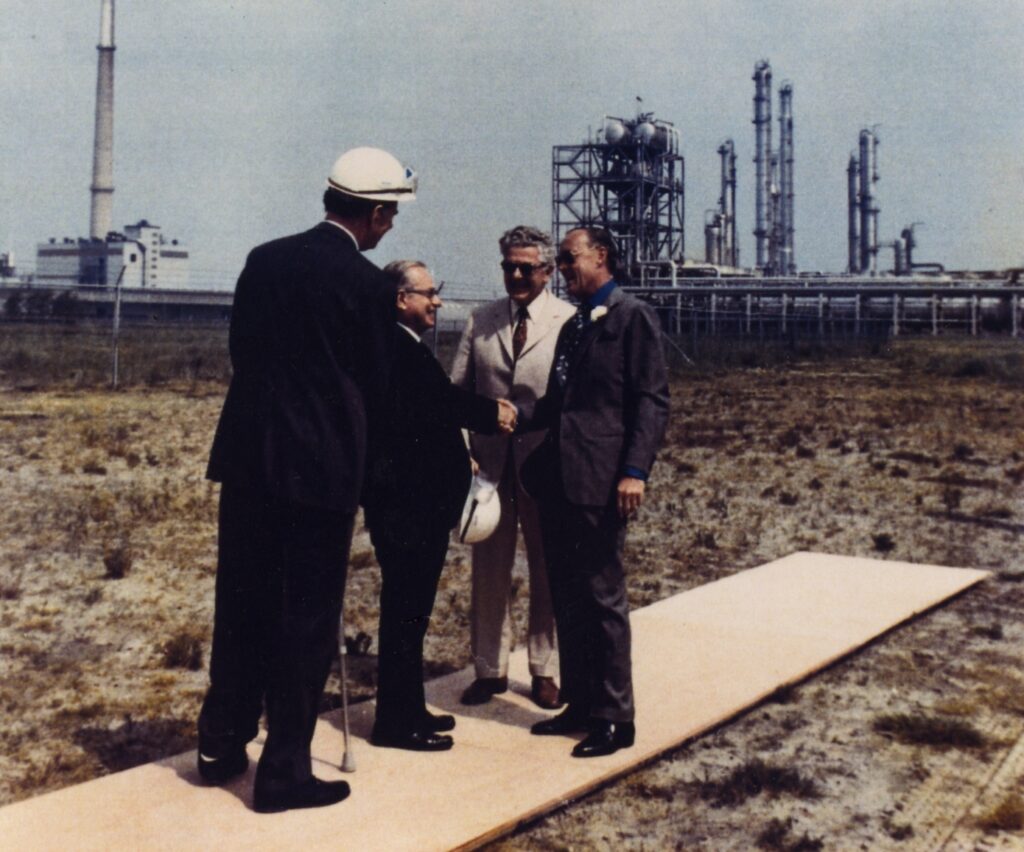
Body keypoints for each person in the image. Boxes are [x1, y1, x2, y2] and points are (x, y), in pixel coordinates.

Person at [197, 147, 416, 813]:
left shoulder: (265, 260)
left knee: (241, 602)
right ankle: (284, 772)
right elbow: (380, 387)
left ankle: (221, 743)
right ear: (376, 213)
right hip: (318, 474)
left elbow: (243, 354)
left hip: (248, 461)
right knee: (306, 618)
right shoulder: (369, 285)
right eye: (391, 216)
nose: (391, 228)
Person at [522, 226, 669, 758]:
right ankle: (580, 702)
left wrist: (635, 470)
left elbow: (652, 401)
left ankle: (614, 716)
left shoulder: (632, 318)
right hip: (560, 480)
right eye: (558, 262)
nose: (562, 269)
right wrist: (504, 416)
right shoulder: (574, 325)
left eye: (568, 259)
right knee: (568, 595)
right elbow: (559, 403)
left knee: (603, 596)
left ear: (601, 257)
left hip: (603, 481)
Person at [364, 260, 517, 751]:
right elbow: (438, 405)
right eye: (429, 293)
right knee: (406, 613)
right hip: (406, 507)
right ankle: (395, 722)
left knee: (412, 614)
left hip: (414, 506)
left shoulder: (400, 347)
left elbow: (428, 415)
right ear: (399, 299)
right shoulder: (394, 349)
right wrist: (491, 413)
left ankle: (407, 708)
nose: (437, 301)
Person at [450, 226, 574, 709]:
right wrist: (466, 450)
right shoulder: (480, 321)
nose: (517, 275)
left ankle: (545, 669)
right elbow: (457, 392)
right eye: (509, 267)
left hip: (545, 465)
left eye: (527, 267)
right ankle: (489, 669)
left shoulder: (569, 320)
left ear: (547, 271)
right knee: (489, 567)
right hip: (489, 467)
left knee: (548, 567)